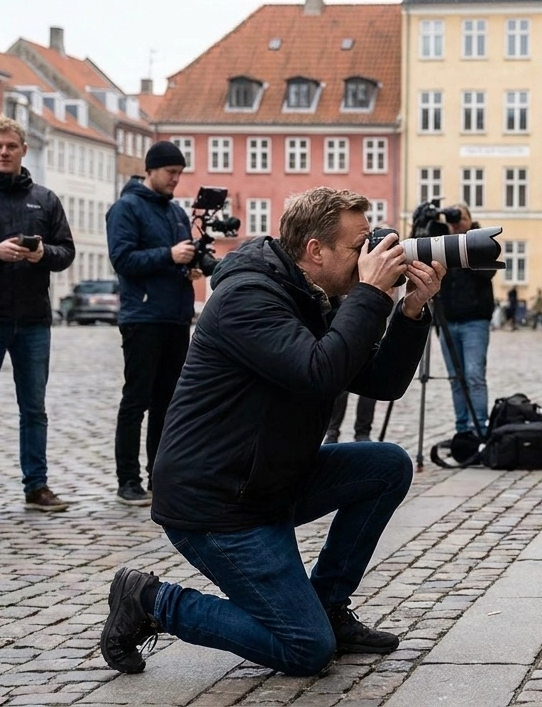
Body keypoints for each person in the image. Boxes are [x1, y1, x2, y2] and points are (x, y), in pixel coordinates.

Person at [101, 187, 444, 677]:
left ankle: (326, 604)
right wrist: (370, 294)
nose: (368, 257)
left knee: (387, 465)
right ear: (315, 251)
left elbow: (382, 383)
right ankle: (151, 600)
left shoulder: (314, 295)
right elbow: (318, 372)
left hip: (269, 479)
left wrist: (410, 311)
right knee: (305, 650)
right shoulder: (248, 298)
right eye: (358, 247)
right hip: (218, 503)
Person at [0, 115, 74, 516]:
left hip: (33, 319)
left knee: (34, 408)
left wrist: (42, 254)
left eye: (11, 146)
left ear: (23, 150)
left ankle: (36, 486)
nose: (4, 152)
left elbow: (65, 252)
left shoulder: (45, 199)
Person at [106, 141, 199, 506]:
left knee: (169, 402)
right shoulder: (126, 208)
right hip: (143, 317)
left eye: (179, 173)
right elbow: (123, 259)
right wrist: (169, 255)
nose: (176, 179)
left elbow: (181, 257)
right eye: (170, 173)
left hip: (176, 316)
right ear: (152, 170)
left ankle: (160, 477)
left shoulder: (176, 213)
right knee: (136, 400)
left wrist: (189, 266)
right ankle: (128, 480)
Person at [436, 203, 494, 438]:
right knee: (455, 379)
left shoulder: (483, 242)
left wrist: (463, 244)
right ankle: (462, 431)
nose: (457, 223)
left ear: (471, 220)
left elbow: (487, 272)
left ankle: (478, 430)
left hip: (475, 321)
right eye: (454, 220)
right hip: (447, 322)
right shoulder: (441, 244)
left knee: (474, 376)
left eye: (461, 218)